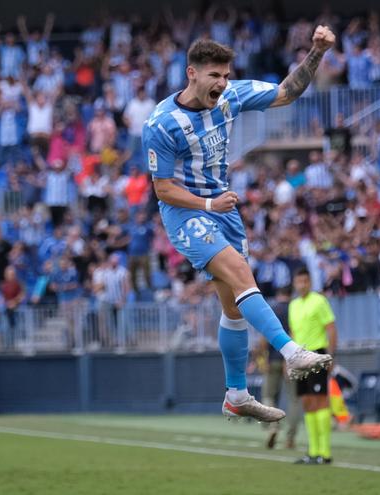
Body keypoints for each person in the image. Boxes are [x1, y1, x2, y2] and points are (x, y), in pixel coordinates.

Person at [142, 29, 337, 423]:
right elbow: (162, 189)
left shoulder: (231, 96)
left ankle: (236, 394)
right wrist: (207, 203)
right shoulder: (162, 124)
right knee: (239, 271)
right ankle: (290, 351)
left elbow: (287, 92)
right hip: (187, 212)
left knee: (232, 306)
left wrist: (316, 52)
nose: (222, 83)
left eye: (226, 75)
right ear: (191, 73)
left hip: (223, 209)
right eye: (214, 75)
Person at [289, 268, 337, 464]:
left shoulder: (319, 301)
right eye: (299, 281)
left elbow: (331, 328)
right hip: (300, 358)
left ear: (310, 282)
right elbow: (292, 333)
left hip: (317, 354)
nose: (302, 285)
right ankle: (313, 450)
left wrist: (330, 356)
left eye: (305, 281)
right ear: (295, 283)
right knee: (307, 402)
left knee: (320, 400)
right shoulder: (293, 305)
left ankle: (325, 453)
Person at [262, 285, 299, 451]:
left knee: (269, 396)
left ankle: (273, 426)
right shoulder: (296, 309)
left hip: (273, 359)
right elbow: (295, 334)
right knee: (293, 399)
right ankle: (290, 439)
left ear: (278, 294)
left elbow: (265, 336)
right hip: (291, 359)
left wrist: (262, 357)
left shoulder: (272, 310)